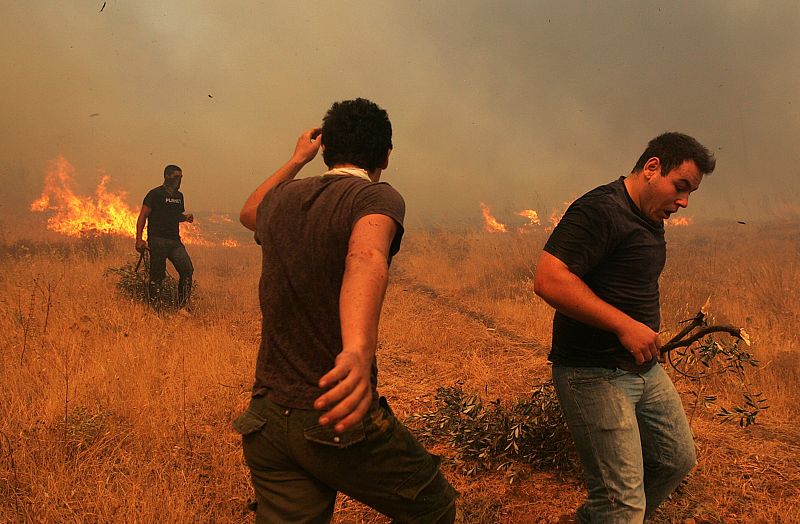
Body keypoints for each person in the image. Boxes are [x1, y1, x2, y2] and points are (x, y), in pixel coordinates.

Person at [234, 98, 457, 523]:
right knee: (434, 507)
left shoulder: (281, 199)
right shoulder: (375, 196)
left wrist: (296, 160)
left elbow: (249, 212)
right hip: (334, 415)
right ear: (385, 156)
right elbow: (365, 257)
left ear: (326, 149)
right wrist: (356, 350)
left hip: (266, 419)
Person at [533, 132, 716, 523]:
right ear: (652, 167)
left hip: (643, 369)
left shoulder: (647, 215)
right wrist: (624, 326)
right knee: (623, 503)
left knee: (674, 460)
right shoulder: (600, 209)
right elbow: (549, 279)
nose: (684, 201)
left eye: (691, 193)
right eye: (680, 187)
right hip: (594, 373)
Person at [135, 164, 194, 308]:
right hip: (157, 240)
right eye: (176, 176)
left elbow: (174, 215)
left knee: (187, 270)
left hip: (174, 241)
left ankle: (182, 308)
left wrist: (185, 217)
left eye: (181, 177)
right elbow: (143, 216)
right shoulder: (155, 194)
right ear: (167, 176)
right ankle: (155, 309)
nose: (179, 180)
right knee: (157, 275)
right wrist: (139, 239)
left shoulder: (179, 197)